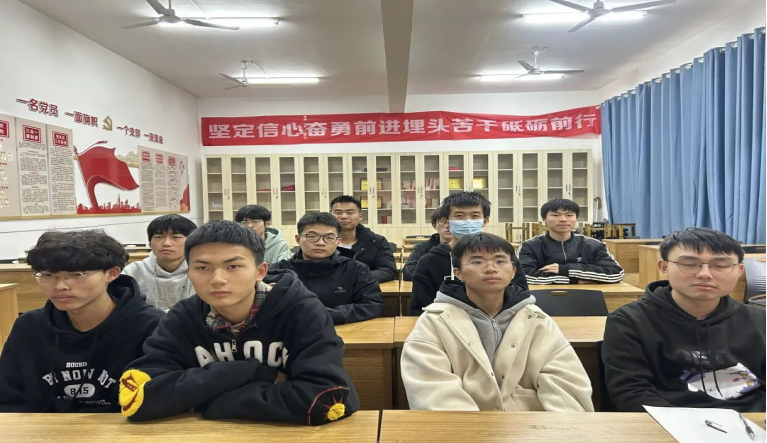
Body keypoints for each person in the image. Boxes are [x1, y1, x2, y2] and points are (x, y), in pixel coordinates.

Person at [119, 221, 359, 425]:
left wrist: (209, 402)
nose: (217, 279)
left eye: (233, 266)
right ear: (189, 272)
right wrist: (252, 372)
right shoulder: (182, 317)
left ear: (260, 271)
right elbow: (137, 398)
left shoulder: (301, 310)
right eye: (202, 267)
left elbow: (327, 399)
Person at [401, 233, 594, 411]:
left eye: (500, 261)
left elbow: (565, 382)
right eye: (477, 262)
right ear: (457, 273)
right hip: (464, 428)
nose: (491, 268)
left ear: (513, 271)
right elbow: (432, 392)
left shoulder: (537, 320)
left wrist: (556, 430)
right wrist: (476, 431)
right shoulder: (434, 322)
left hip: (530, 426)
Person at [602, 227, 766, 412]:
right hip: (666, 423)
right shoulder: (629, 321)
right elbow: (631, 391)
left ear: (739, 270)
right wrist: (684, 424)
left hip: (752, 422)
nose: (705, 274)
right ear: (664, 267)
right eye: (689, 264)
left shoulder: (760, 321)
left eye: (720, 265)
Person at [0, 230, 162, 412]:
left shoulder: (152, 326)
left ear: (112, 273)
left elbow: (157, 401)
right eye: (47, 275)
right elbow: (8, 400)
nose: (60, 286)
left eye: (77, 274)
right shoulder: (29, 327)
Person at [410, 192, 527, 315]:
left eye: (475, 216)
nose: (467, 221)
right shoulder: (430, 261)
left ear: (485, 220)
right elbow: (421, 308)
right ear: (446, 221)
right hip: (445, 322)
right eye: (459, 216)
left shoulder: (503, 257)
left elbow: (520, 297)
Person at [271, 213, 384, 325]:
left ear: (338, 242)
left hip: (343, 329)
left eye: (329, 237)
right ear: (298, 239)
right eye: (312, 236)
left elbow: (372, 305)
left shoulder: (356, 269)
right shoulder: (278, 271)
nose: (320, 243)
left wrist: (323, 315)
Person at [518, 198, 624, 285]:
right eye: (555, 215)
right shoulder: (529, 246)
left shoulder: (594, 245)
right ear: (544, 219)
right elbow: (523, 275)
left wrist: (566, 269)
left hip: (588, 297)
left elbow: (615, 273)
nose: (563, 219)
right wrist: (573, 280)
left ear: (576, 218)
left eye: (569, 215)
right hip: (543, 297)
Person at [123, 214, 197, 310]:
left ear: (190, 242)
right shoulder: (132, 272)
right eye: (158, 237)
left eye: (176, 237)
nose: (166, 243)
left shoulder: (200, 270)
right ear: (150, 243)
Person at [330, 195, 397, 283]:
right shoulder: (320, 241)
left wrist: (355, 278)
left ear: (360, 216)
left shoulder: (376, 241)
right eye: (338, 212)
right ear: (330, 215)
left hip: (365, 287)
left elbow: (388, 270)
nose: (344, 216)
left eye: (350, 212)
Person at [402, 206, 452, 281]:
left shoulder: (467, 247)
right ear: (434, 225)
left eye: (451, 222)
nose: (447, 226)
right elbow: (408, 272)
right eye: (442, 222)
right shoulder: (422, 248)